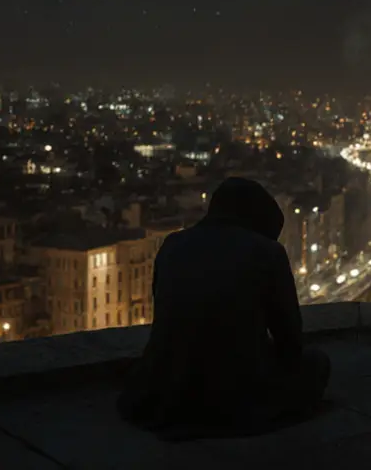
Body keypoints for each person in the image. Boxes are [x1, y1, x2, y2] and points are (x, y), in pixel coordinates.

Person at [118, 177, 330, 440]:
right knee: (316, 363)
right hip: (235, 392)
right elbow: (290, 338)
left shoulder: (172, 244)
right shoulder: (268, 252)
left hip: (168, 386)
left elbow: (165, 314)